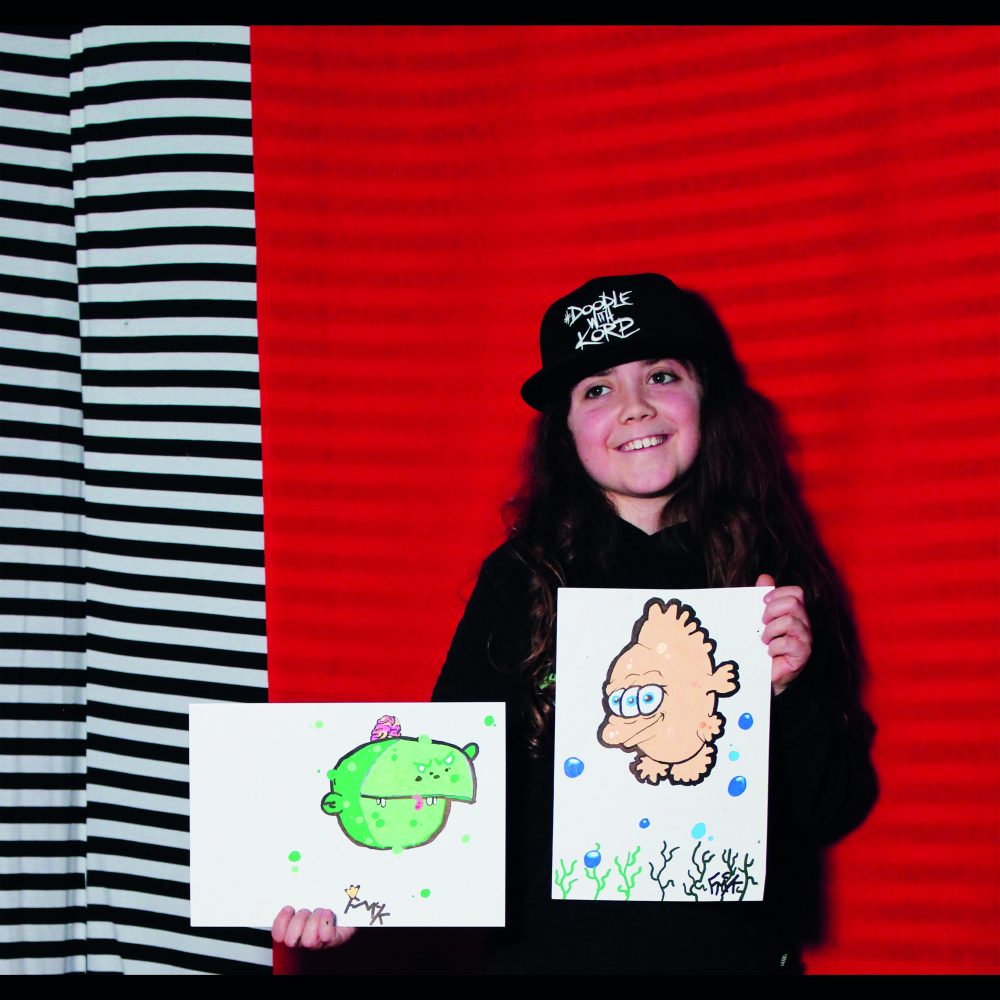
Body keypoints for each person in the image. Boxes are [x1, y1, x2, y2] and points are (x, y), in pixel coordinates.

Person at [273, 273, 877, 973]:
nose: (634, 407)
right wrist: (354, 888)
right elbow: (442, 774)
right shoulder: (518, 580)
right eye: (596, 388)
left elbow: (831, 808)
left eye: (661, 375)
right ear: (563, 428)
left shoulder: (772, 577)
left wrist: (790, 691)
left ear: (707, 398)